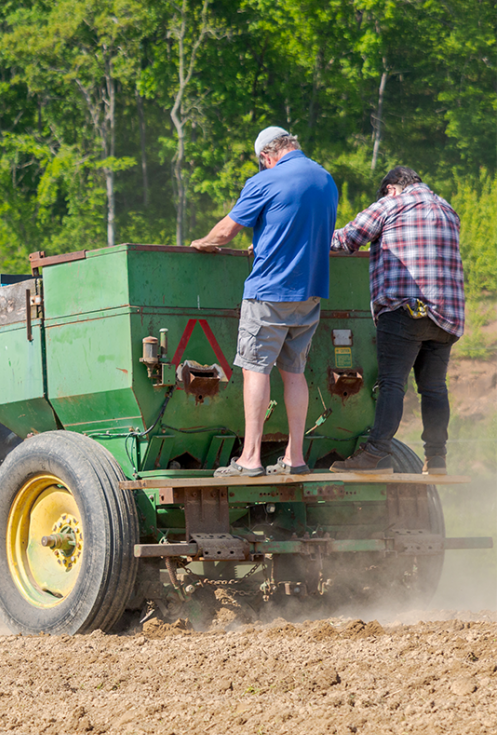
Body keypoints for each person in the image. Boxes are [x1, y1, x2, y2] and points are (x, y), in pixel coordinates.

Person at [191, 126, 338, 477]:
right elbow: (301, 227)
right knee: (295, 374)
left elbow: (225, 232)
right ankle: (295, 458)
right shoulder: (325, 180)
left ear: (266, 157)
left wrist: (203, 242)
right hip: (311, 293)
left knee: (255, 369)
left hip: (270, 292)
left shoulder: (265, 180)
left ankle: (251, 458)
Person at [329, 167, 464, 475]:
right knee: (433, 388)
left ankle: (375, 454)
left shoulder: (391, 204)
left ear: (391, 188)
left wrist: (299, 241)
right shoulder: (448, 210)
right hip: (446, 315)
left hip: (405, 308)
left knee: (392, 384)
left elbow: (346, 240)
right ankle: (437, 458)